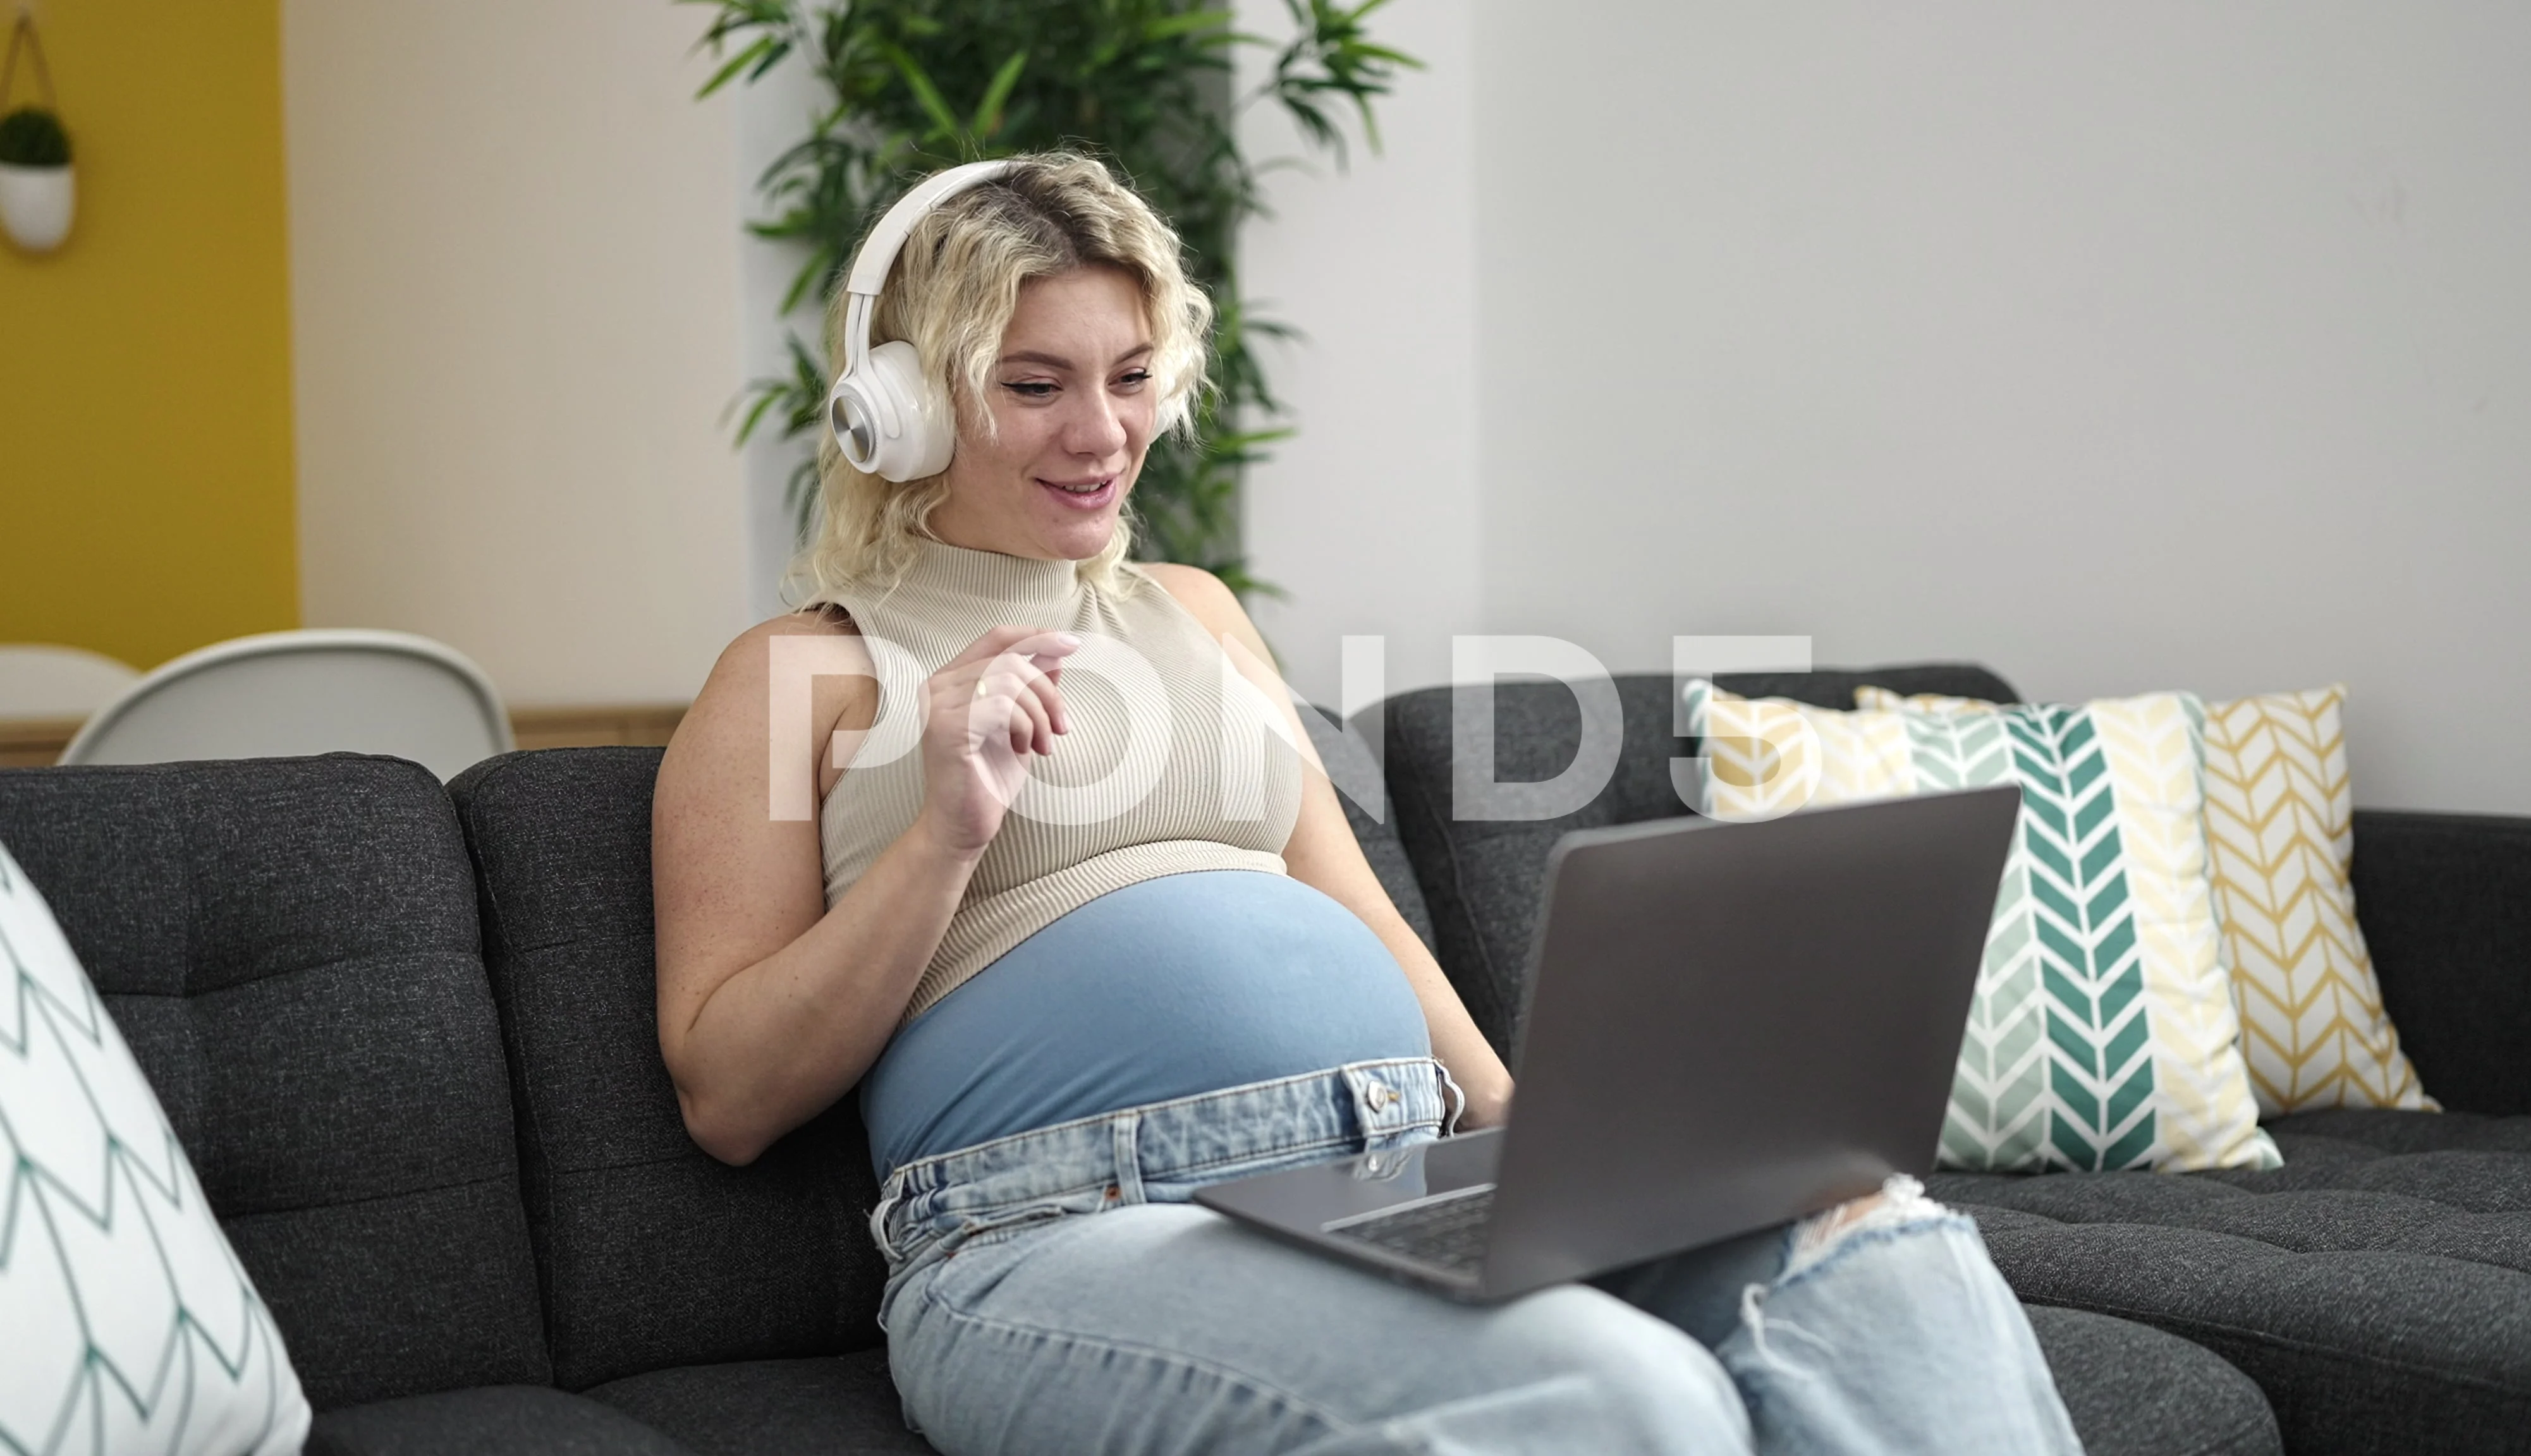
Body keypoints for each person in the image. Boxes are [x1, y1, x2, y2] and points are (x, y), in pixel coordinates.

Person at [652, 152, 2082, 1455]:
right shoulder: (799, 677)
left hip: (1395, 1173)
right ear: (900, 408)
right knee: (1612, 1392)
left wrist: (1543, 1149)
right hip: (1062, 1229)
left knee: (1876, 1250)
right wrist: (945, 835)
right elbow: (729, 1094)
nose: (1101, 434)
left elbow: (1359, 912)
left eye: (1132, 376)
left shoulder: (1197, 615)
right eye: (1033, 385)